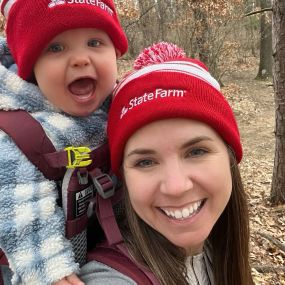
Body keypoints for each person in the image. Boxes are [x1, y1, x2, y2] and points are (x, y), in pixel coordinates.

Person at [80, 42, 254, 285]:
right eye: (145, 162)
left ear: (230, 157)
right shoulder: (110, 279)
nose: (176, 187)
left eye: (196, 151)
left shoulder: (220, 249)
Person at [0, 0, 127, 284]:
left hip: (104, 240)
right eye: (56, 48)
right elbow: (16, 210)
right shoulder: (17, 132)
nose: (81, 59)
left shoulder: (114, 103)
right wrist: (50, 271)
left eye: (95, 42)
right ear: (30, 68)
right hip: (40, 259)